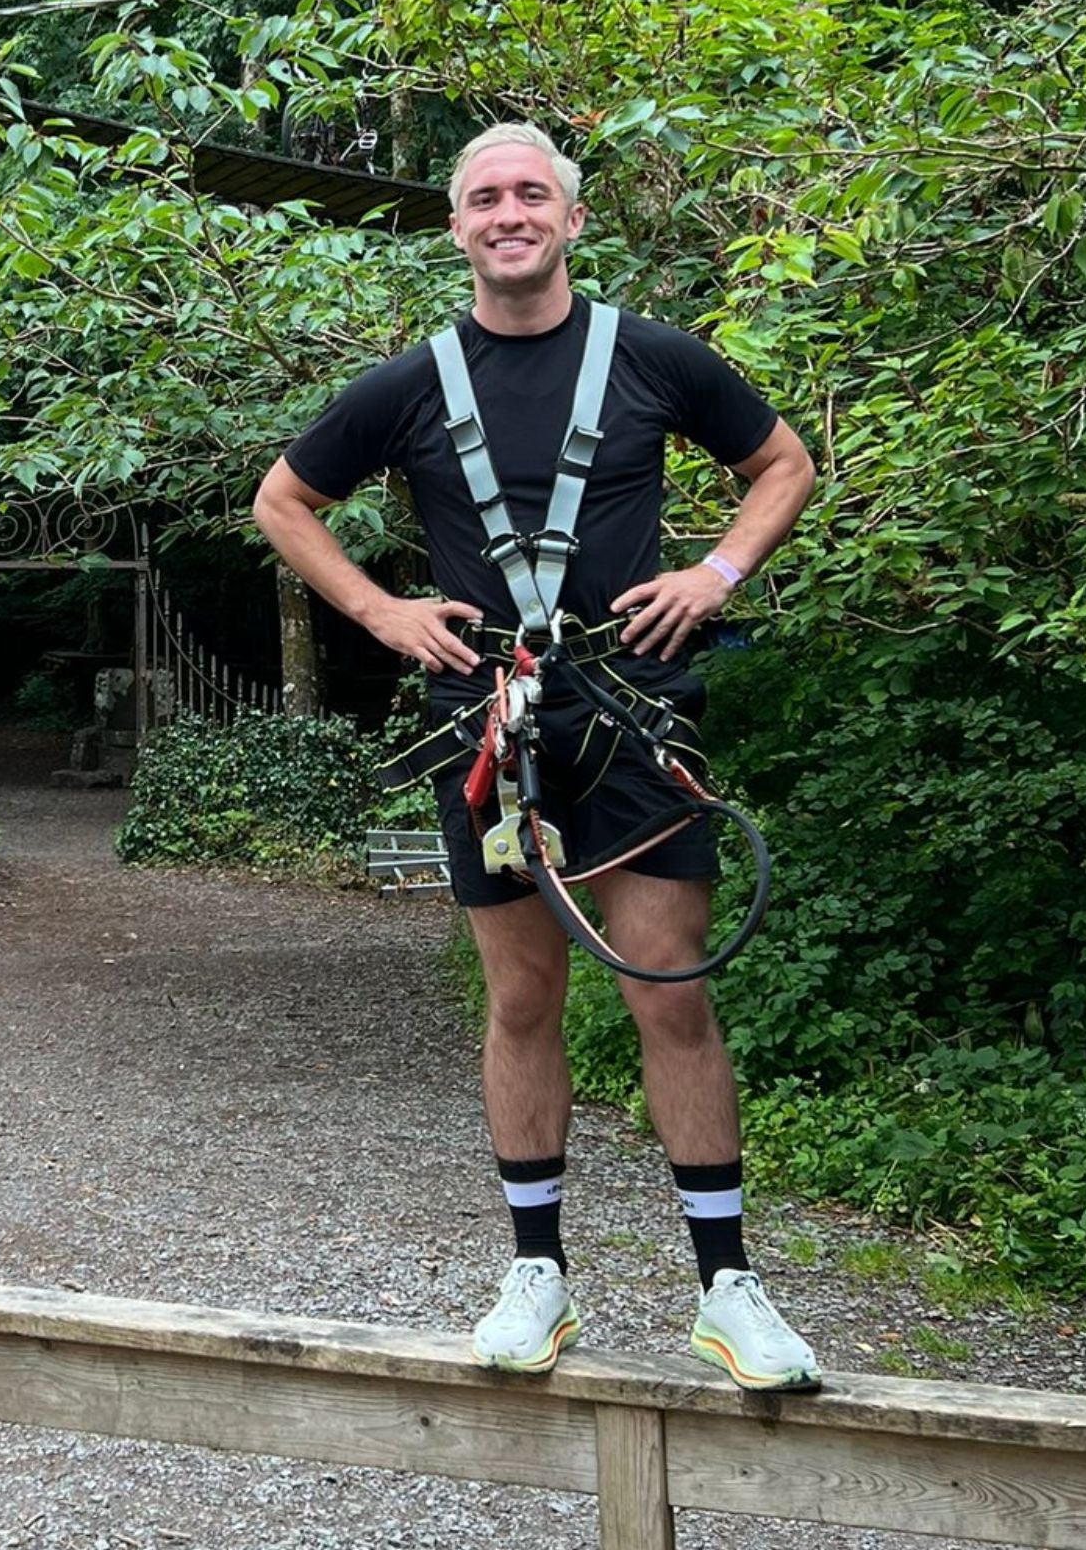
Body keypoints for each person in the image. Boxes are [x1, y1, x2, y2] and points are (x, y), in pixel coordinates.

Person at [252, 122, 822, 1391]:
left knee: (669, 987)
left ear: (570, 218)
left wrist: (718, 571)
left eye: (530, 195)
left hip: (630, 708)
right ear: (454, 228)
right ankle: (535, 1273)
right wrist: (380, 611)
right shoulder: (409, 384)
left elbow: (781, 465)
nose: (508, 213)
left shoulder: (653, 359)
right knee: (520, 999)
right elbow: (282, 501)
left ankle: (729, 1287)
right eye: (482, 199)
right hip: (491, 726)